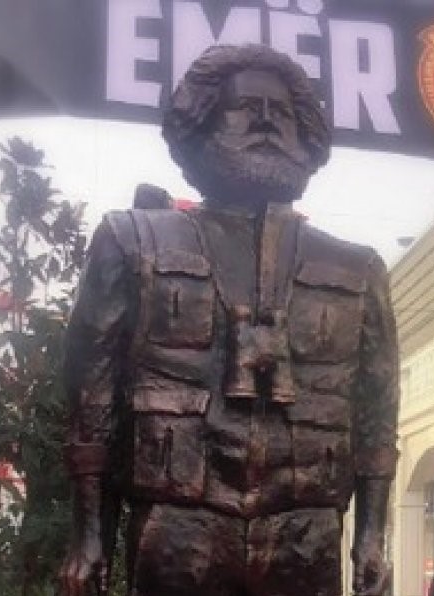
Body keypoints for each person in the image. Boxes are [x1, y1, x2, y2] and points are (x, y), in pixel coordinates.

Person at [59, 44, 398, 596]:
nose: (266, 121)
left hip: (305, 528)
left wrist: (372, 534)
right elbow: (91, 398)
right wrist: (88, 534)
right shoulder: (131, 241)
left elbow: (378, 409)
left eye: (282, 112)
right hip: (179, 523)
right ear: (200, 124)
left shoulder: (357, 268)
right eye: (245, 107)